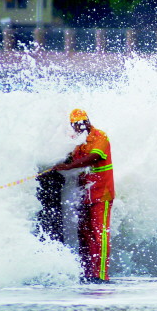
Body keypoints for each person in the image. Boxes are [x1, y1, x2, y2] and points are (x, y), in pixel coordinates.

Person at [53, 109, 115, 284]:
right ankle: (88, 273)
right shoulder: (78, 143)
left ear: (88, 121)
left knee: (100, 234)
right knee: (84, 234)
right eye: (77, 124)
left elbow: (94, 157)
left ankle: (101, 275)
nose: (81, 126)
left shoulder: (100, 136)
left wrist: (69, 166)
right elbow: (69, 158)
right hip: (84, 195)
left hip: (102, 194)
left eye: (83, 122)